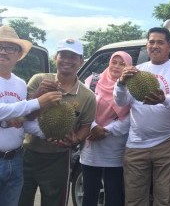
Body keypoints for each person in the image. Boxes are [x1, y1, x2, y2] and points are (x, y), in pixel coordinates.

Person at [114, 27, 170, 206]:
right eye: (151, 42)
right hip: (136, 144)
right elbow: (121, 102)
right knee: (134, 199)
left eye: (160, 42)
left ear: (169, 46)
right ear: (147, 45)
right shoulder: (137, 70)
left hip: (167, 143)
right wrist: (121, 83)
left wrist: (164, 99)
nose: (155, 46)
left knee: (165, 199)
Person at [19, 38, 97, 206]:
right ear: (55, 57)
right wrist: (39, 96)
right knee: (19, 200)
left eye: (73, 57)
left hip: (58, 158)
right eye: (63, 55)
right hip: (27, 153)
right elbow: (24, 116)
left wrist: (75, 140)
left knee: (53, 202)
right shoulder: (39, 80)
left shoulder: (87, 95)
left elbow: (85, 127)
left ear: (81, 61)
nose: (67, 60)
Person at [0, 26, 62, 206]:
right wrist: (38, 102)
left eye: (9, 47)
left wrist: (48, 134)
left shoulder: (20, 84)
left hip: (16, 159)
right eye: (0, 46)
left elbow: (22, 121)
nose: (3, 51)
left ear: (18, 54)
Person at [80, 51, 133, 206]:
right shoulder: (92, 81)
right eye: (114, 62)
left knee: (114, 194)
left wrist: (106, 130)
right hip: (91, 145)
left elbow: (132, 116)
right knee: (89, 193)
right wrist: (94, 127)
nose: (116, 66)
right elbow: (81, 108)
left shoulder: (131, 87)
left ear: (128, 66)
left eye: (122, 63)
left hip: (115, 147)